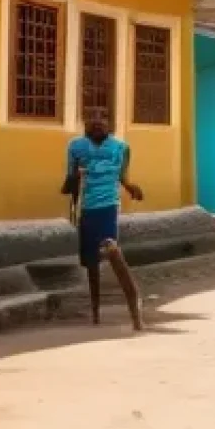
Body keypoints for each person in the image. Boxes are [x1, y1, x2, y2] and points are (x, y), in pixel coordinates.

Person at [62, 107, 143, 325]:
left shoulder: (121, 148)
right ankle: (96, 311)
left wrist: (130, 187)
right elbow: (69, 180)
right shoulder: (75, 147)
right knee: (91, 264)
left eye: (103, 117)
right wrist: (74, 179)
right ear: (84, 121)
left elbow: (123, 176)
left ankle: (134, 308)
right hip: (87, 210)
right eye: (92, 117)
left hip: (108, 206)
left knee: (112, 251)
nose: (97, 121)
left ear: (110, 123)